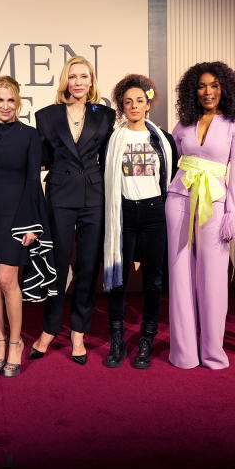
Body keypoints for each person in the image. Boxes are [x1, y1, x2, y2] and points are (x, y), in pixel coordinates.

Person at [30, 56, 115, 365]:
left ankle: (79, 331)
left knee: (88, 268)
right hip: (60, 197)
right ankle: (50, 329)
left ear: (91, 81)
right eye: (73, 76)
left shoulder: (106, 115)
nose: (78, 82)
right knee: (56, 267)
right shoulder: (47, 116)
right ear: (65, 81)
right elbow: (39, 159)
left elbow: (110, 160)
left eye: (84, 76)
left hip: (94, 197)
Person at [166, 61, 235, 370]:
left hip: (214, 203)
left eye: (214, 85)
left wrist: (233, 213)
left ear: (224, 88)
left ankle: (213, 353)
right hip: (179, 199)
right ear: (193, 90)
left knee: (213, 280)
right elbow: (175, 157)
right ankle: (184, 354)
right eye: (201, 86)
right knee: (179, 277)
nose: (208, 91)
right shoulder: (183, 123)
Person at [0, 76, 55, 378]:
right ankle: (0, 342)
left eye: (10, 100)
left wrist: (32, 224)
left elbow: (34, 181)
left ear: (18, 103)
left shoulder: (30, 136)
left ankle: (16, 343)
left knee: (8, 280)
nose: (5, 106)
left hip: (16, 216)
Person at [102, 74, 176, 369]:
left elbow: (168, 179)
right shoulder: (112, 139)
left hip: (153, 214)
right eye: (128, 101)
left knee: (153, 280)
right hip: (123, 214)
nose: (134, 106)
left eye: (139, 101)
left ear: (149, 104)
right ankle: (117, 340)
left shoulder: (162, 139)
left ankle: (146, 339)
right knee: (117, 281)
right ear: (122, 105)